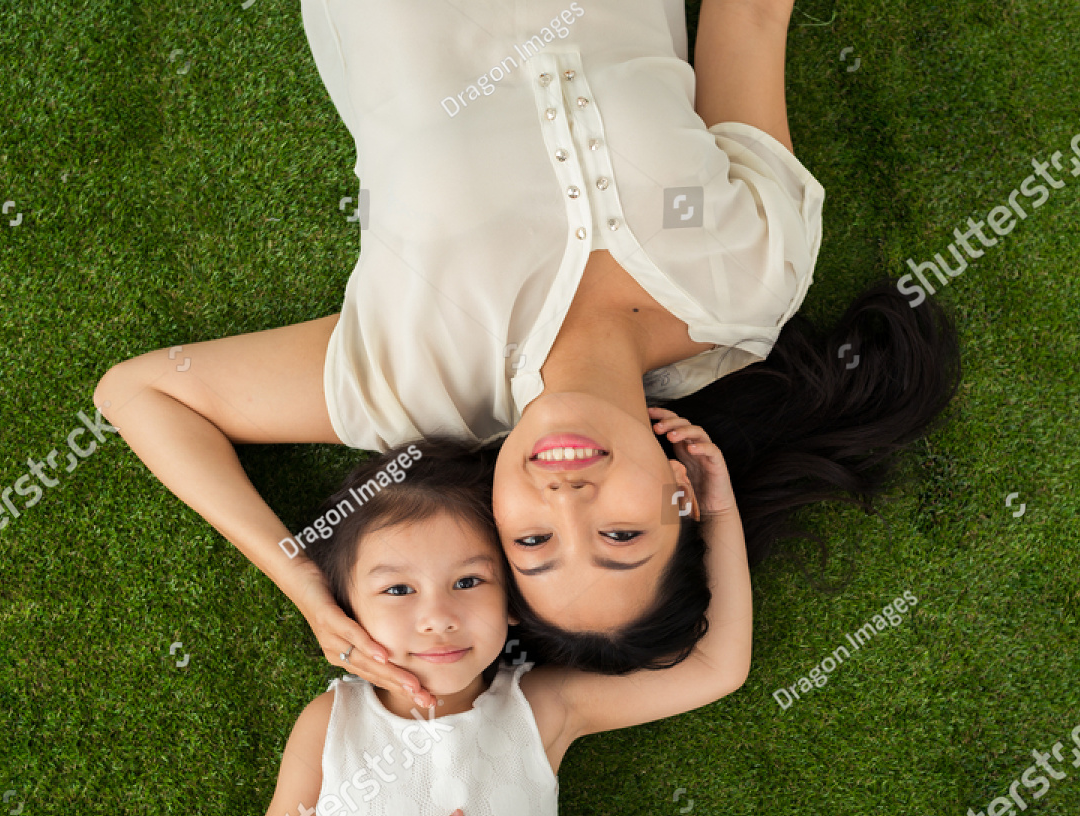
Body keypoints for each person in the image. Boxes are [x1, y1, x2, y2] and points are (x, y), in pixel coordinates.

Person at [93, 0, 959, 695]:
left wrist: (304, 584)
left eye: (534, 543)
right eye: (620, 532)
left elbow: (140, 394)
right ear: (682, 492)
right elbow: (751, 18)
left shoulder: (415, 379)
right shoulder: (751, 282)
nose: (567, 497)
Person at [218, 410, 747, 816]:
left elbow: (713, 668)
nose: (438, 616)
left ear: (515, 597)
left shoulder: (542, 707)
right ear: (345, 610)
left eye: (469, 582)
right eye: (397, 590)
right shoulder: (332, 723)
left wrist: (718, 513)